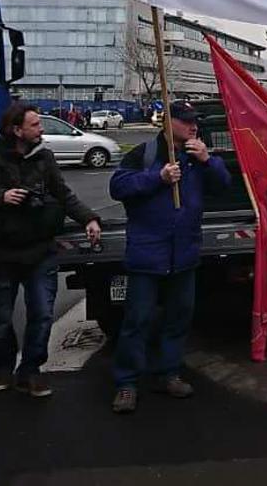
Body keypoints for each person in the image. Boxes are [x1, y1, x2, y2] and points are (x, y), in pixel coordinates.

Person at [0, 102, 101, 398]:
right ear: (16, 130)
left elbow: (64, 194)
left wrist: (90, 218)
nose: (42, 128)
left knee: (42, 314)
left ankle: (32, 369)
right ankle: (3, 367)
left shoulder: (44, 159)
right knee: (1, 319)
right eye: (35, 124)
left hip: (39, 250)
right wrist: (1, 197)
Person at [108, 101, 232, 414]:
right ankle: (127, 383)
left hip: (184, 253)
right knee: (138, 320)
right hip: (148, 254)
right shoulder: (145, 154)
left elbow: (223, 185)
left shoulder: (196, 157)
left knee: (179, 318)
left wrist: (208, 161)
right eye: (187, 121)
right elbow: (118, 186)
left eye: (196, 122)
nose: (193, 127)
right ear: (169, 123)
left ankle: (169, 373)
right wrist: (157, 178)